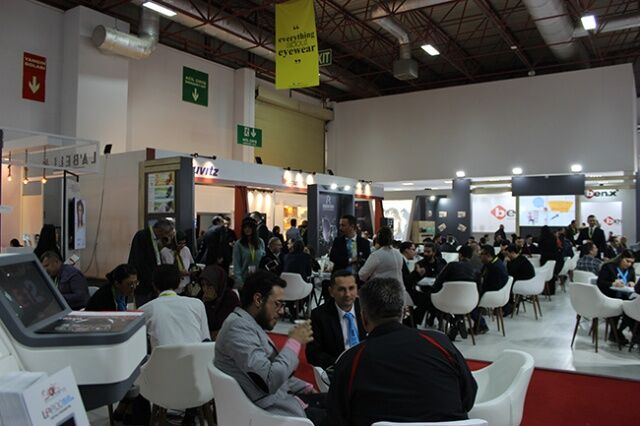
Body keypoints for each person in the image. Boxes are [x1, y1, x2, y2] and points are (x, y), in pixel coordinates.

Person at [326, 277, 477, 426]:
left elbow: (337, 417)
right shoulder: (440, 343)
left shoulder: (352, 360)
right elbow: (468, 397)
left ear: (364, 317)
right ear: (404, 311)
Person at [214, 271, 326, 425]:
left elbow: (268, 370)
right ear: (258, 300)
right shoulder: (237, 328)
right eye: (277, 304)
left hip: (278, 402)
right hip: (268, 413)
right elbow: (270, 380)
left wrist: (303, 387)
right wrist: (294, 342)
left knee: (340, 402)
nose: (281, 311)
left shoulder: (247, 324)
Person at [306, 270, 366, 369]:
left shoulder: (366, 309)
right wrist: (341, 364)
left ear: (357, 289)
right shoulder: (319, 315)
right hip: (337, 368)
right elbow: (313, 354)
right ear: (331, 292)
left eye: (351, 288)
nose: (347, 294)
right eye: (341, 289)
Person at [139, 264, 209, 350]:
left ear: (154, 285)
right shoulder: (197, 304)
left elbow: (138, 347)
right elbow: (206, 340)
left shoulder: (144, 310)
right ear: (179, 283)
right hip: (195, 357)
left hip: (162, 358)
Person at [431, 246, 479, 340]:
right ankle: (458, 320)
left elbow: (438, 282)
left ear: (460, 255)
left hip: (447, 301)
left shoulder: (451, 265)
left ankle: (454, 321)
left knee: (432, 303)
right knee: (457, 303)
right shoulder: (476, 269)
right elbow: (478, 288)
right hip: (469, 302)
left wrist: (434, 291)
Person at [128, 218, 175, 307]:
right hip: (144, 284)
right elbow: (139, 262)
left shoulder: (156, 240)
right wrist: (151, 280)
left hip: (154, 284)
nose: (167, 236)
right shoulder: (142, 236)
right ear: (160, 230)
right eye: (167, 233)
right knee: (145, 308)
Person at [596, 250, 637, 344]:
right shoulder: (608, 267)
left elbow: (632, 281)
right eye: (627, 261)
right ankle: (619, 334)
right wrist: (612, 283)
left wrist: (632, 283)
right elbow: (600, 283)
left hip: (625, 296)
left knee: (632, 307)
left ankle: (618, 333)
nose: (629, 264)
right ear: (621, 258)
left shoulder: (631, 270)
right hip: (609, 297)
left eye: (631, 262)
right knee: (626, 308)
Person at [196, 265, 239, 340]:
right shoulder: (201, 295)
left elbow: (217, 325)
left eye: (209, 285)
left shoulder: (230, 297)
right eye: (203, 285)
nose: (205, 289)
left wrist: (208, 304)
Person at [232, 217, 265, 289]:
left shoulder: (260, 242)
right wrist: (239, 282)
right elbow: (236, 264)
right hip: (244, 280)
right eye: (245, 227)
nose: (247, 229)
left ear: (254, 228)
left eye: (250, 227)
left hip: (259, 279)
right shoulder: (239, 244)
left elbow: (263, 259)